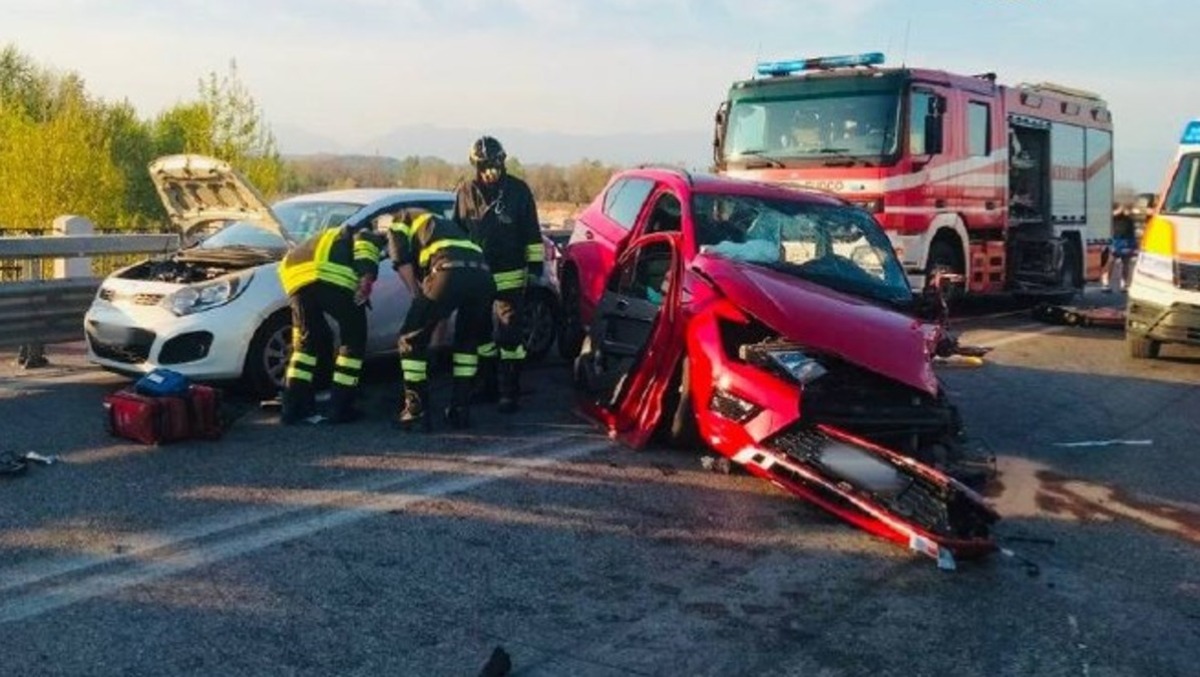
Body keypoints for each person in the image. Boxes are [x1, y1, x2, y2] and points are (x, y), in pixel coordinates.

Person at [454, 136, 543, 413]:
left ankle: (510, 392)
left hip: (511, 275)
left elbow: (532, 233)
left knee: (508, 337)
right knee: (481, 335)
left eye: (494, 165)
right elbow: (458, 231)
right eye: (483, 166)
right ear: (475, 166)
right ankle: (488, 385)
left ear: (502, 162)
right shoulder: (466, 191)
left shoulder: (518, 191)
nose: (490, 171)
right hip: (479, 276)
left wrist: (535, 270)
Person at [388, 208, 496, 431]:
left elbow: (401, 261)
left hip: (448, 270)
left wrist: (417, 296)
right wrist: (435, 339)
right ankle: (460, 410)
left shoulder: (399, 221)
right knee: (466, 344)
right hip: (483, 277)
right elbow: (443, 307)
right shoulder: (443, 226)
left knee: (409, 340)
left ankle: (415, 412)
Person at [277, 220, 385, 424]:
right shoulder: (363, 232)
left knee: (306, 344)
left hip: (295, 279)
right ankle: (341, 407)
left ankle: (292, 408)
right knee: (353, 340)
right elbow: (365, 247)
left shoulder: (327, 236)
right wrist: (366, 280)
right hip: (331, 279)